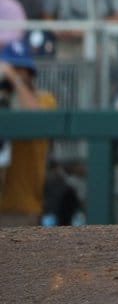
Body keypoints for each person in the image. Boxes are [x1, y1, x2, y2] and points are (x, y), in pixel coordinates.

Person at [0, 41, 56, 226]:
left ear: (30, 73)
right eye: (11, 67)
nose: (14, 72)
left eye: (20, 69)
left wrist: (14, 79)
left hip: (22, 209)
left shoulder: (44, 99)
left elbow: (38, 119)